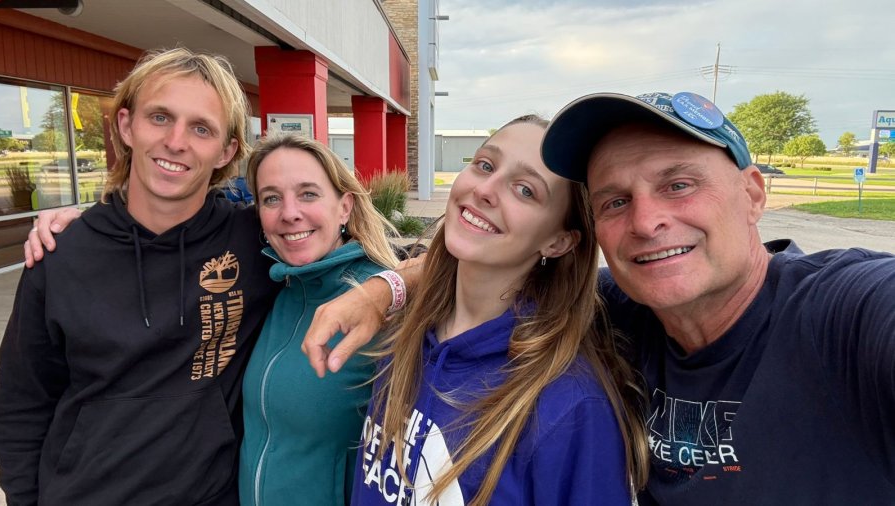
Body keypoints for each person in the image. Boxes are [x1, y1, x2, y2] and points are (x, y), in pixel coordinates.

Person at [302, 92, 895, 504]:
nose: (646, 221)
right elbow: (486, 261)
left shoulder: (841, 315)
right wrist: (385, 288)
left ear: (753, 193)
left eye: (678, 185)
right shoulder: (619, 307)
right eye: (615, 200)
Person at [0, 48, 279, 505]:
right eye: (160, 117)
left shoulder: (257, 241)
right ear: (127, 126)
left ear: (226, 150)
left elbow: (394, 258)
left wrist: (384, 288)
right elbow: (21, 405)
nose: (176, 141)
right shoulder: (60, 254)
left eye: (201, 128)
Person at [351, 115, 648, 505]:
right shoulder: (401, 339)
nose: (486, 190)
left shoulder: (570, 408)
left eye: (525, 190)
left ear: (558, 241)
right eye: (485, 165)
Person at [237, 132, 398, 506]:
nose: (289, 213)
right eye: (271, 198)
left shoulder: (380, 301)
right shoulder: (278, 286)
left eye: (308, 194)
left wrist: (397, 284)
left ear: (344, 207)